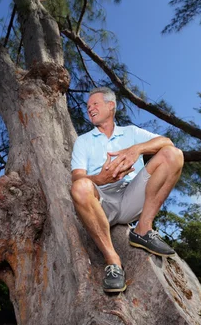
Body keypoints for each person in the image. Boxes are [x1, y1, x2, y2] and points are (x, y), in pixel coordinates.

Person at [71, 87, 184, 293]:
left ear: (110, 105)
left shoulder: (131, 133)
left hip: (132, 193)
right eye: (88, 106)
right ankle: (113, 262)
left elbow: (166, 142)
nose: (90, 109)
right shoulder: (83, 141)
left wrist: (136, 149)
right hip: (100, 200)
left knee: (173, 155)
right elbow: (77, 177)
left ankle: (143, 229)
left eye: (95, 104)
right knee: (80, 187)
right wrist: (100, 179)